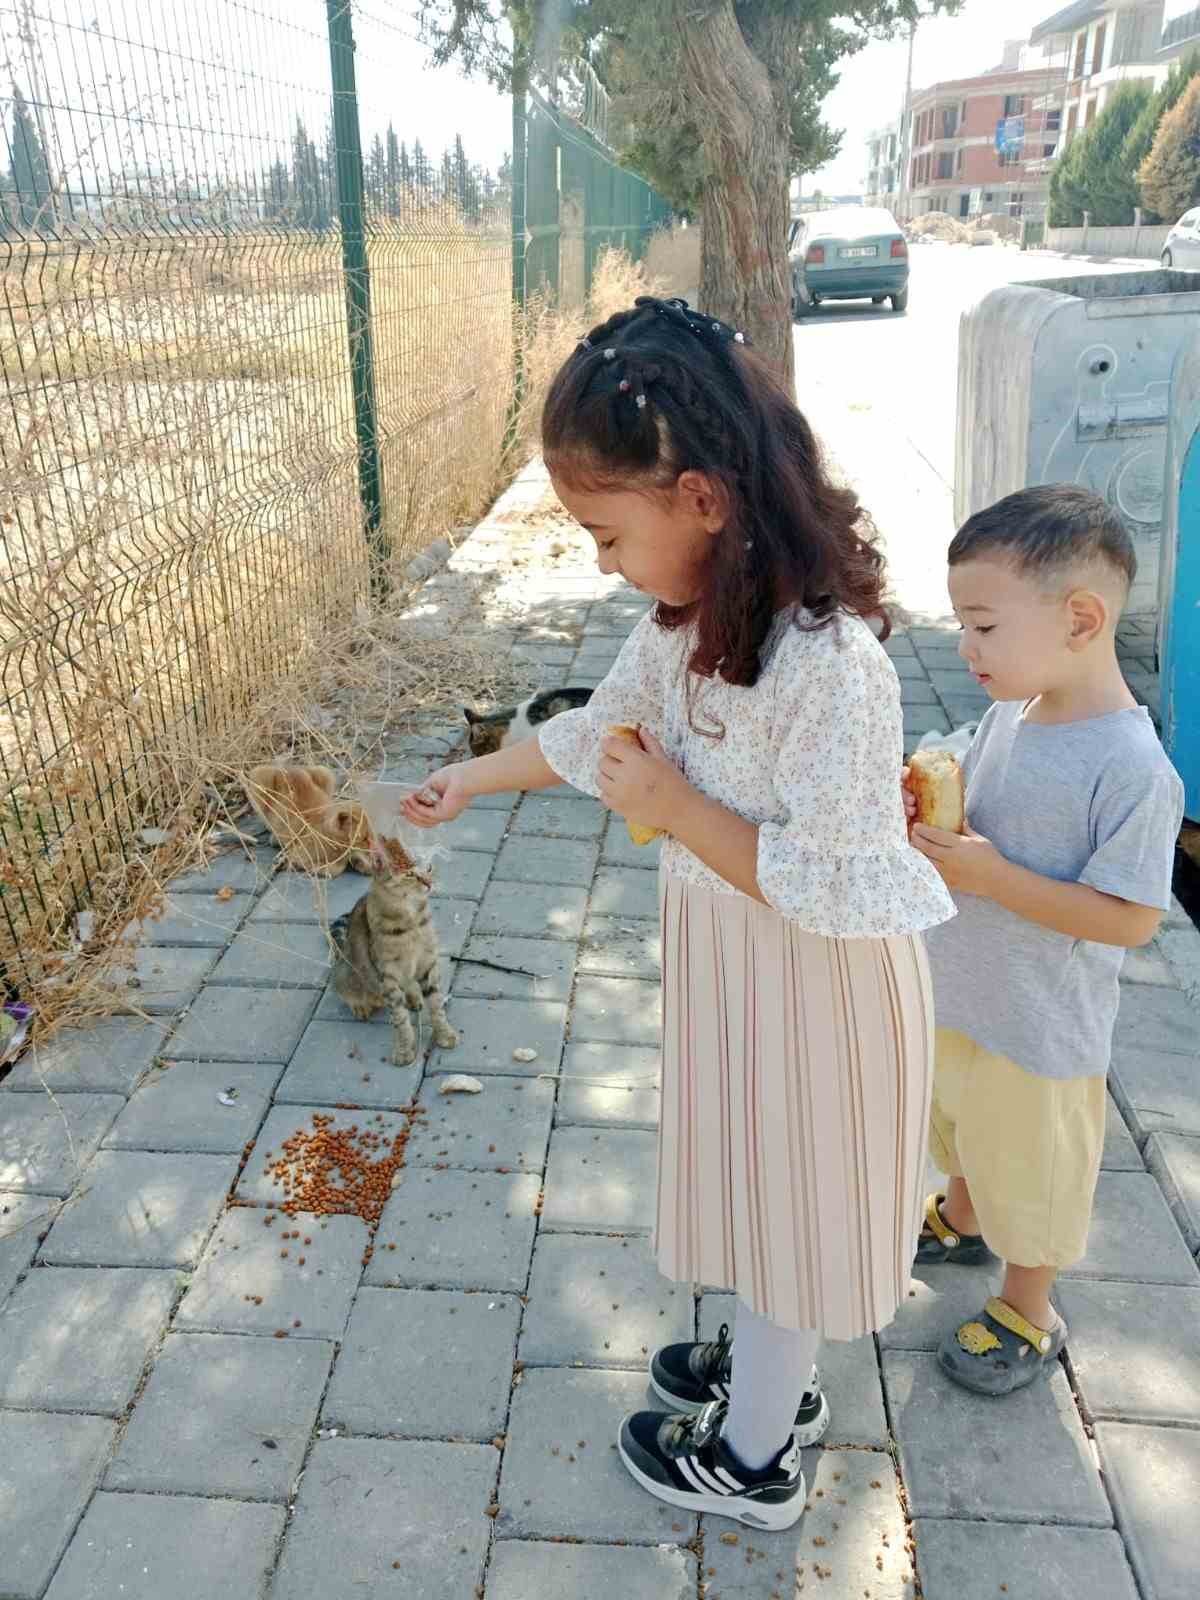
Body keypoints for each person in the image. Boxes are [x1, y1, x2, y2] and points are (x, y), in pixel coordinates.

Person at [404, 296, 954, 1529]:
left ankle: (756, 1460)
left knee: (796, 1210)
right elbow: (597, 736)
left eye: (606, 534)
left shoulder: (834, 666)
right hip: (746, 969)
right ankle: (779, 1369)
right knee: (770, 1191)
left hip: (820, 982)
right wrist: (474, 778)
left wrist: (671, 803)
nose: (602, 563)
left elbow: (827, 877)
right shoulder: (685, 625)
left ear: (702, 499)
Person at [907, 484, 1185, 1397]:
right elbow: (970, 800)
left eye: (983, 626)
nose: (964, 646)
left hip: (1040, 1033)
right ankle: (961, 1215)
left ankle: (1030, 1306)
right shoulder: (1010, 714)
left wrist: (990, 876)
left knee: (1033, 1172)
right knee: (962, 1129)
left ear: (1080, 619)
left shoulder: (1133, 769)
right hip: (967, 995)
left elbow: (1131, 918)